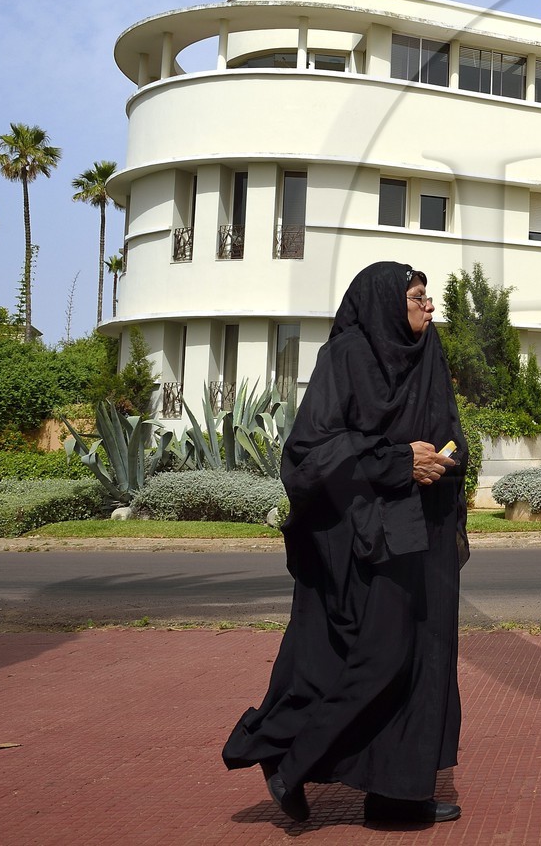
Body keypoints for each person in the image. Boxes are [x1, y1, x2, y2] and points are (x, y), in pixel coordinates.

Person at [223, 261, 468, 828]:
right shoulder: (346, 358)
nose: (429, 307)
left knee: (420, 661)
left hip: (419, 530)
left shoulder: (427, 354)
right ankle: (287, 760)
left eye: (428, 297)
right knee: (378, 658)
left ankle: (396, 795)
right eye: (417, 297)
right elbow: (311, 453)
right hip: (361, 534)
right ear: (386, 302)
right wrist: (397, 461)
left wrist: (442, 462)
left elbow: (447, 429)